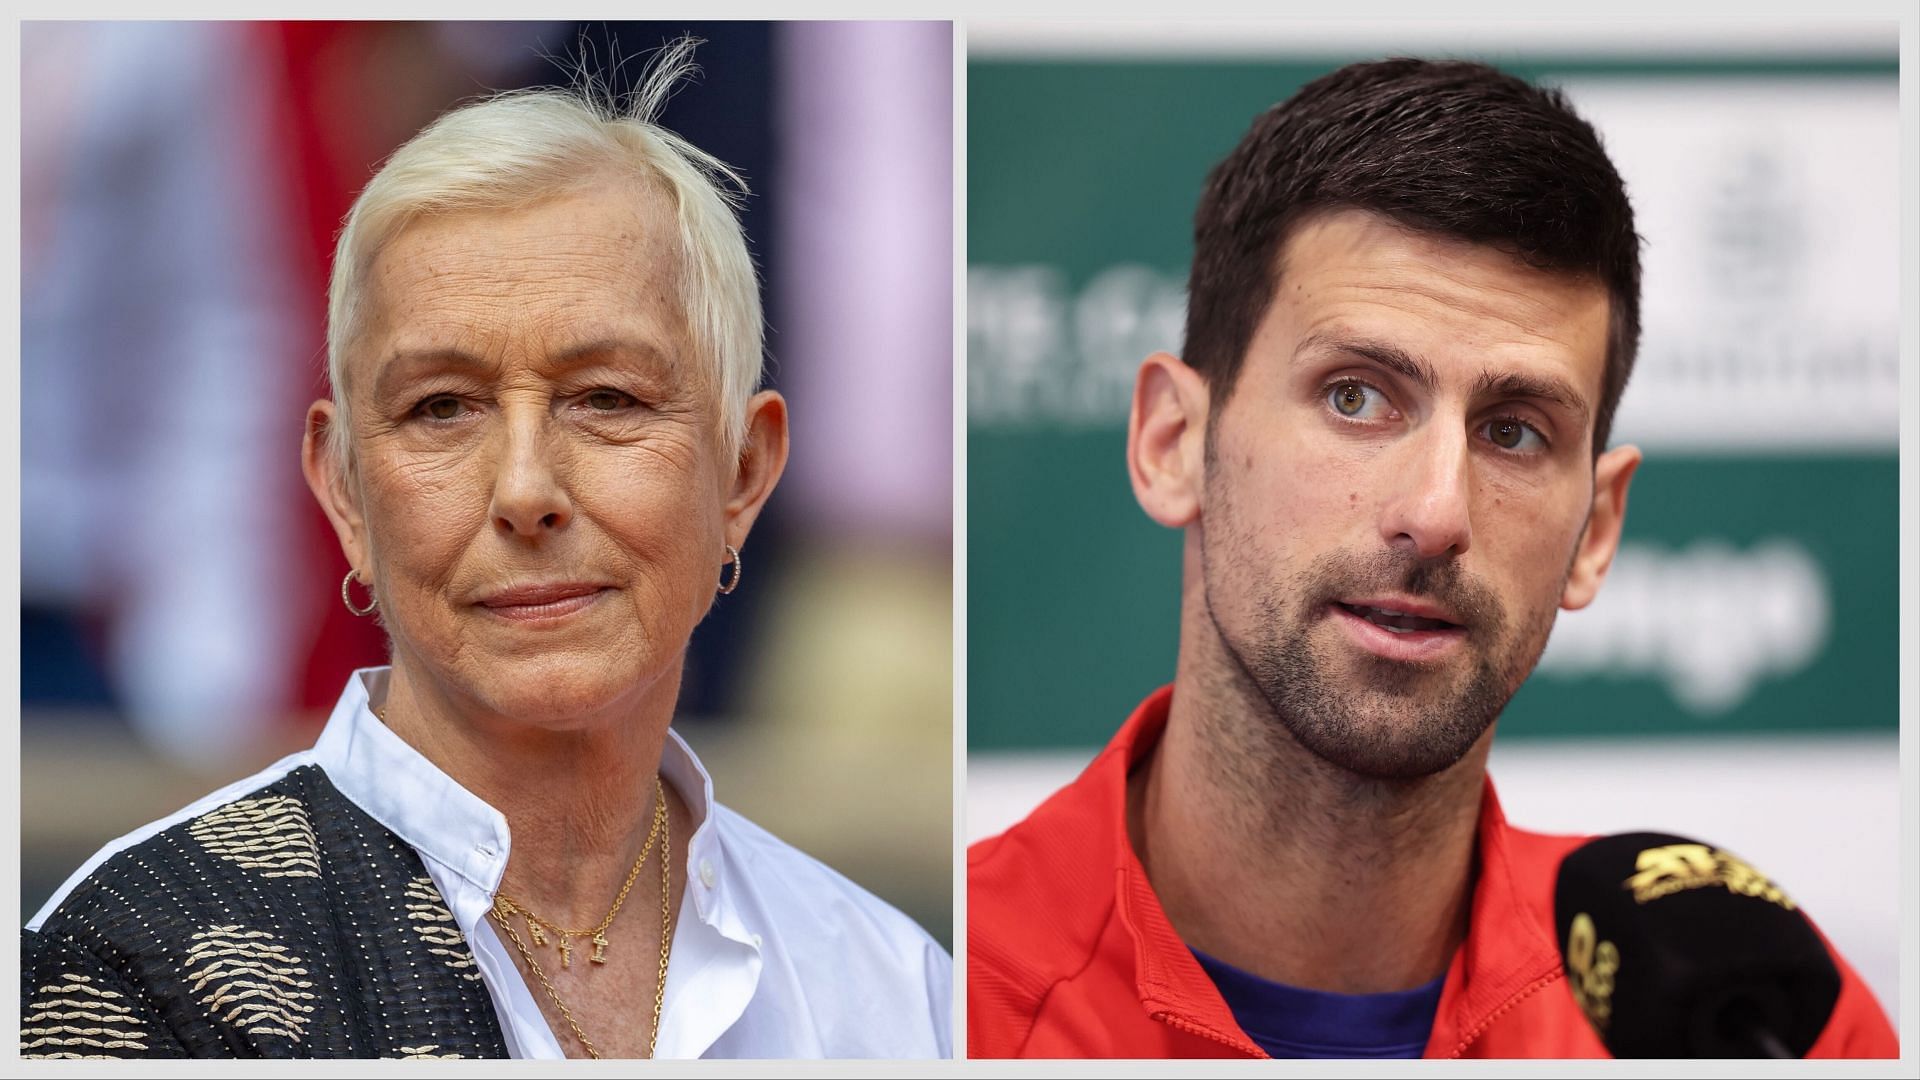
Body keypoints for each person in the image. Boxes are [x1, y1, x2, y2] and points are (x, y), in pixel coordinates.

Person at [22, 42, 951, 1060]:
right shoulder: (136, 965)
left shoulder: (894, 990)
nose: (524, 491)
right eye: (443, 410)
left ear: (741, 472)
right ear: (344, 489)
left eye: (606, 400)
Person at [966, 58, 1894, 1059]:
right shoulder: (935, 995)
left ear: (1597, 528)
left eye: (1515, 432)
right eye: (1356, 397)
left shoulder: (1750, 1029)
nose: (1435, 512)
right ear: (1172, 443)